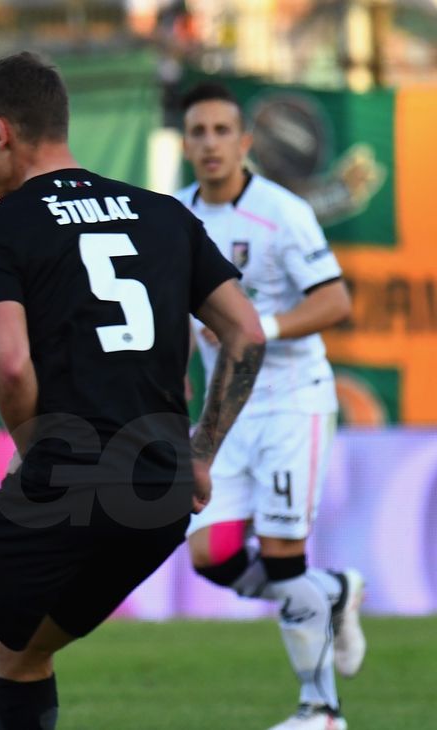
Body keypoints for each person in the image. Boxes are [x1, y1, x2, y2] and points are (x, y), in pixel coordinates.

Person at [0, 52, 265, 730]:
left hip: (70, 479)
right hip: (162, 494)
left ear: (2, 132)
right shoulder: (163, 215)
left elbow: (10, 366)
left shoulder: (2, 227)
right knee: (21, 652)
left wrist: (37, 452)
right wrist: (202, 450)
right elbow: (247, 332)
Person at [176, 81, 364, 730]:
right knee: (212, 556)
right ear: (185, 143)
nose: (209, 144)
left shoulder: (282, 212)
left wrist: (256, 329)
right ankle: (330, 594)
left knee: (283, 554)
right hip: (226, 416)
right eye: (197, 132)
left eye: (221, 131)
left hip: (290, 402)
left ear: (245, 141)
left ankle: (321, 709)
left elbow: (334, 301)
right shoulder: (176, 216)